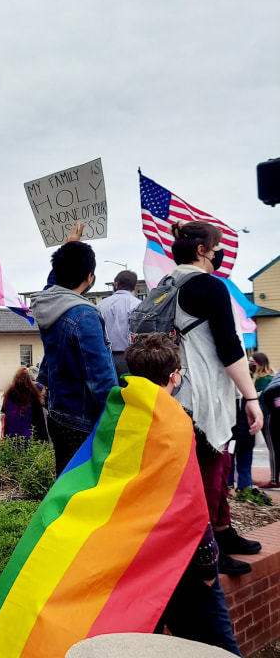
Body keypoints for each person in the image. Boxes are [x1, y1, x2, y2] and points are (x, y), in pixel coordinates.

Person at [125, 333, 241, 657]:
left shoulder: (121, 417)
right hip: (181, 558)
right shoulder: (175, 423)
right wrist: (207, 563)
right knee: (219, 647)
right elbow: (190, 497)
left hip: (137, 558)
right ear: (175, 375)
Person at [169, 221, 263, 576]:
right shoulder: (208, 285)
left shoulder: (166, 286)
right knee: (209, 473)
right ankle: (208, 550)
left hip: (176, 395)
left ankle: (222, 532)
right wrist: (251, 397)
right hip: (206, 398)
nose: (219, 251)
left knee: (214, 469)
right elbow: (229, 347)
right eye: (216, 245)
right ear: (202, 251)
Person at [30, 222, 117, 475]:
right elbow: (100, 379)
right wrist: (115, 417)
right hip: (83, 420)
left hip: (58, 413)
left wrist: (68, 247)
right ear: (89, 277)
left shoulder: (49, 303)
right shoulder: (84, 315)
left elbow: (53, 283)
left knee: (65, 486)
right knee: (83, 492)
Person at [98, 269, 141, 380]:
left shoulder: (101, 305)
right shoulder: (138, 305)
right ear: (135, 286)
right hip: (131, 358)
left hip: (104, 358)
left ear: (116, 284)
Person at [1, 366, 48, 445]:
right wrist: (44, 441)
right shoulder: (33, 396)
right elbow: (40, 422)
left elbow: (5, 416)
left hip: (11, 437)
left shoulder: (9, 395)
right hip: (28, 439)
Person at [251, 353, 276, 488]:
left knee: (272, 448)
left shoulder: (261, 380)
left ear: (259, 363)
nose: (250, 365)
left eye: (252, 362)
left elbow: (258, 399)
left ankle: (274, 479)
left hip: (268, 416)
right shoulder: (274, 376)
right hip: (276, 414)